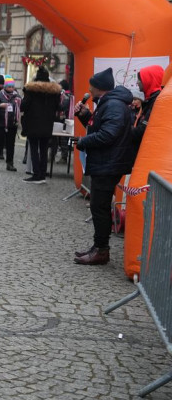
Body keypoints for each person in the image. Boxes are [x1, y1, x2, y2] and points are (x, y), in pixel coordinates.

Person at [72, 67, 135, 266]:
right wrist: (85, 115)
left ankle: (101, 250)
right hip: (106, 162)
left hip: (109, 163)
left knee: (100, 207)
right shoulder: (108, 103)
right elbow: (99, 127)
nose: (89, 89)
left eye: (92, 85)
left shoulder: (114, 105)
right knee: (99, 206)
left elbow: (108, 135)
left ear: (99, 87)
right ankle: (99, 247)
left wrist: (83, 142)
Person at [20, 67, 62, 184]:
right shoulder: (54, 92)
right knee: (44, 149)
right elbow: (58, 107)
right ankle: (42, 174)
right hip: (47, 124)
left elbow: (23, 106)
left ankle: (36, 174)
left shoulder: (31, 90)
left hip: (33, 123)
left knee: (34, 148)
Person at [0, 76, 20, 171]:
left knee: (10, 145)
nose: (11, 88)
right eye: (9, 86)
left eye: (12, 86)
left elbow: (21, 107)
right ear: (5, 87)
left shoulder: (16, 96)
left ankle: (10, 163)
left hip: (12, 124)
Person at [131, 65, 163, 154]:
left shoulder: (157, 101)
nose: (137, 82)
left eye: (140, 79)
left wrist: (122, 129)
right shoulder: (150, 100)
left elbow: (143, 130)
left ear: (149, 80)